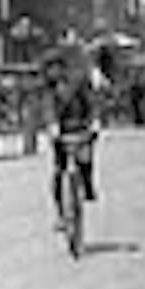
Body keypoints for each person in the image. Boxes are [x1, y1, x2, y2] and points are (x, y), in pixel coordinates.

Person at [42, 47, 100, 225]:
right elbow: (48, 108)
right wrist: (52, 125)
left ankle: (88, 186)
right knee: (59, 172)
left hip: (81, 126)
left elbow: (91, 102)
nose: (53, 72)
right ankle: (61, 213)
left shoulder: (78, 81)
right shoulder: (48, 89)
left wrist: (95, 120)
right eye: (49, 68)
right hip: (61, 132)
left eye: (56, 67)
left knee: (85, 160)